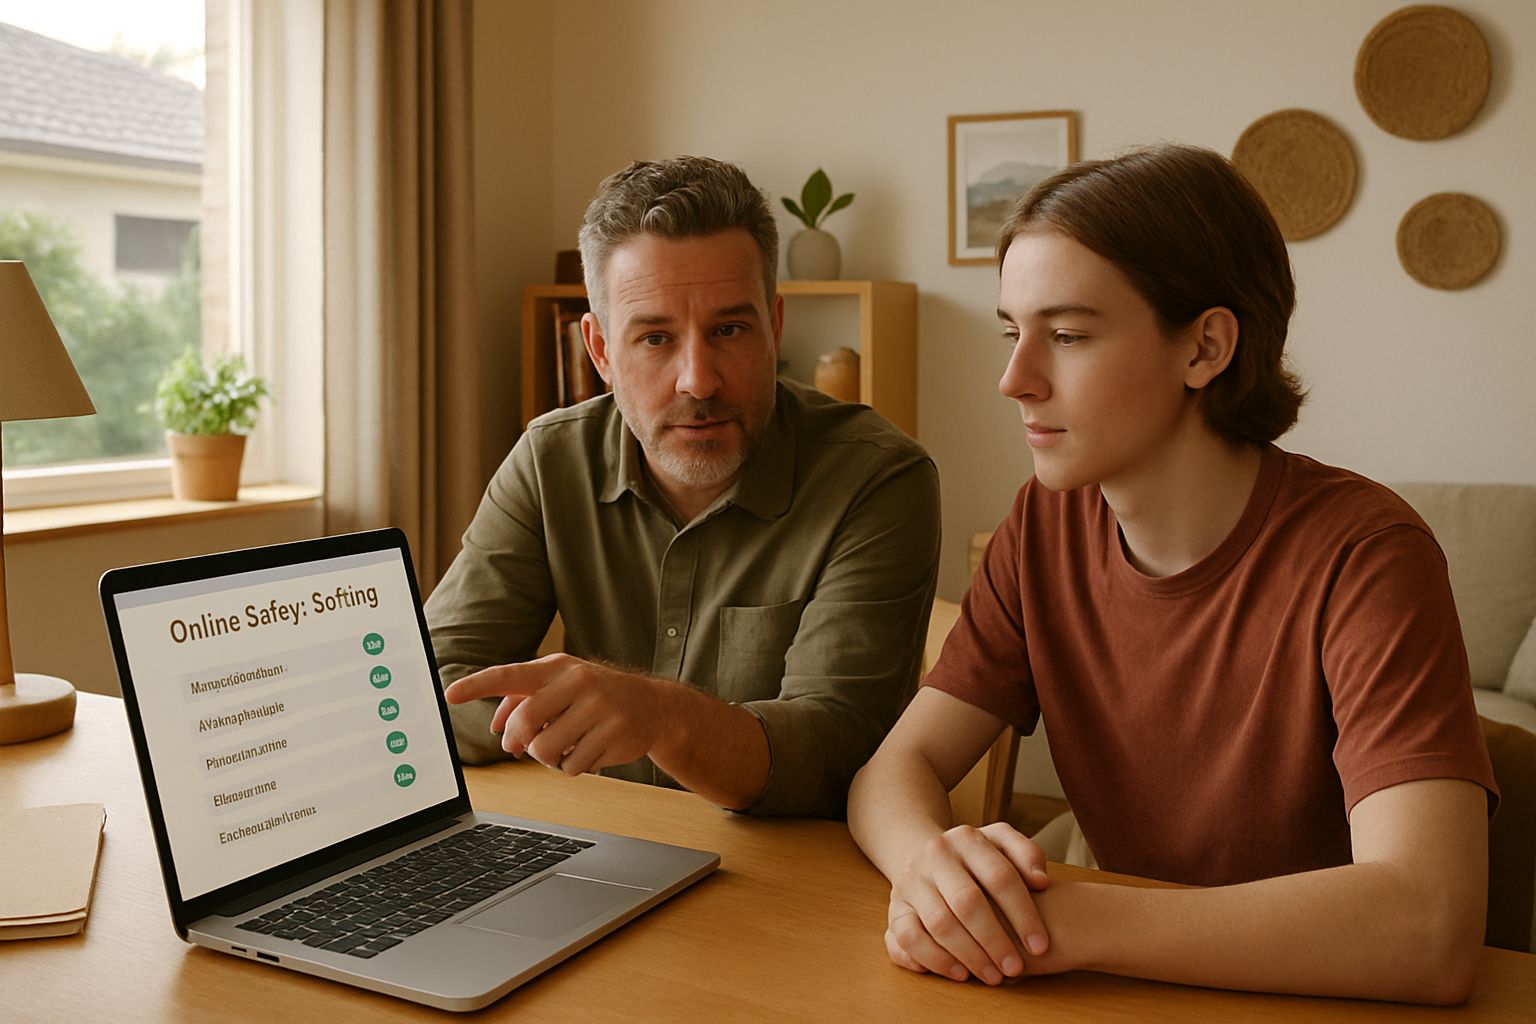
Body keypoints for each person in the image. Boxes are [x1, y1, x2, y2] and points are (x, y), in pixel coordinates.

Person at [847, 144, 1497, 1004]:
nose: (1014, 380)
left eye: (1068, 335)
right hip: (1127, 991)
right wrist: (934, 872)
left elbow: (1429, 926)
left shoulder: (1368, 555)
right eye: (1014, 333)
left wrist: (1063, 925)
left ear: (1206, 347)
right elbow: (891, 774)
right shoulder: (1044, 526)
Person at [427, 155, 940, 818]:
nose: (698, 379)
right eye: (655, 338)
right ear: (601, 351)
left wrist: (662, 719)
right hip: (602, 844)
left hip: (790, 880)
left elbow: (837, 748)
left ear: (774, 328)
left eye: (729, 330)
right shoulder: (550, 460)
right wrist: (580, 719)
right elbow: (430, 692)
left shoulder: (878, 478)